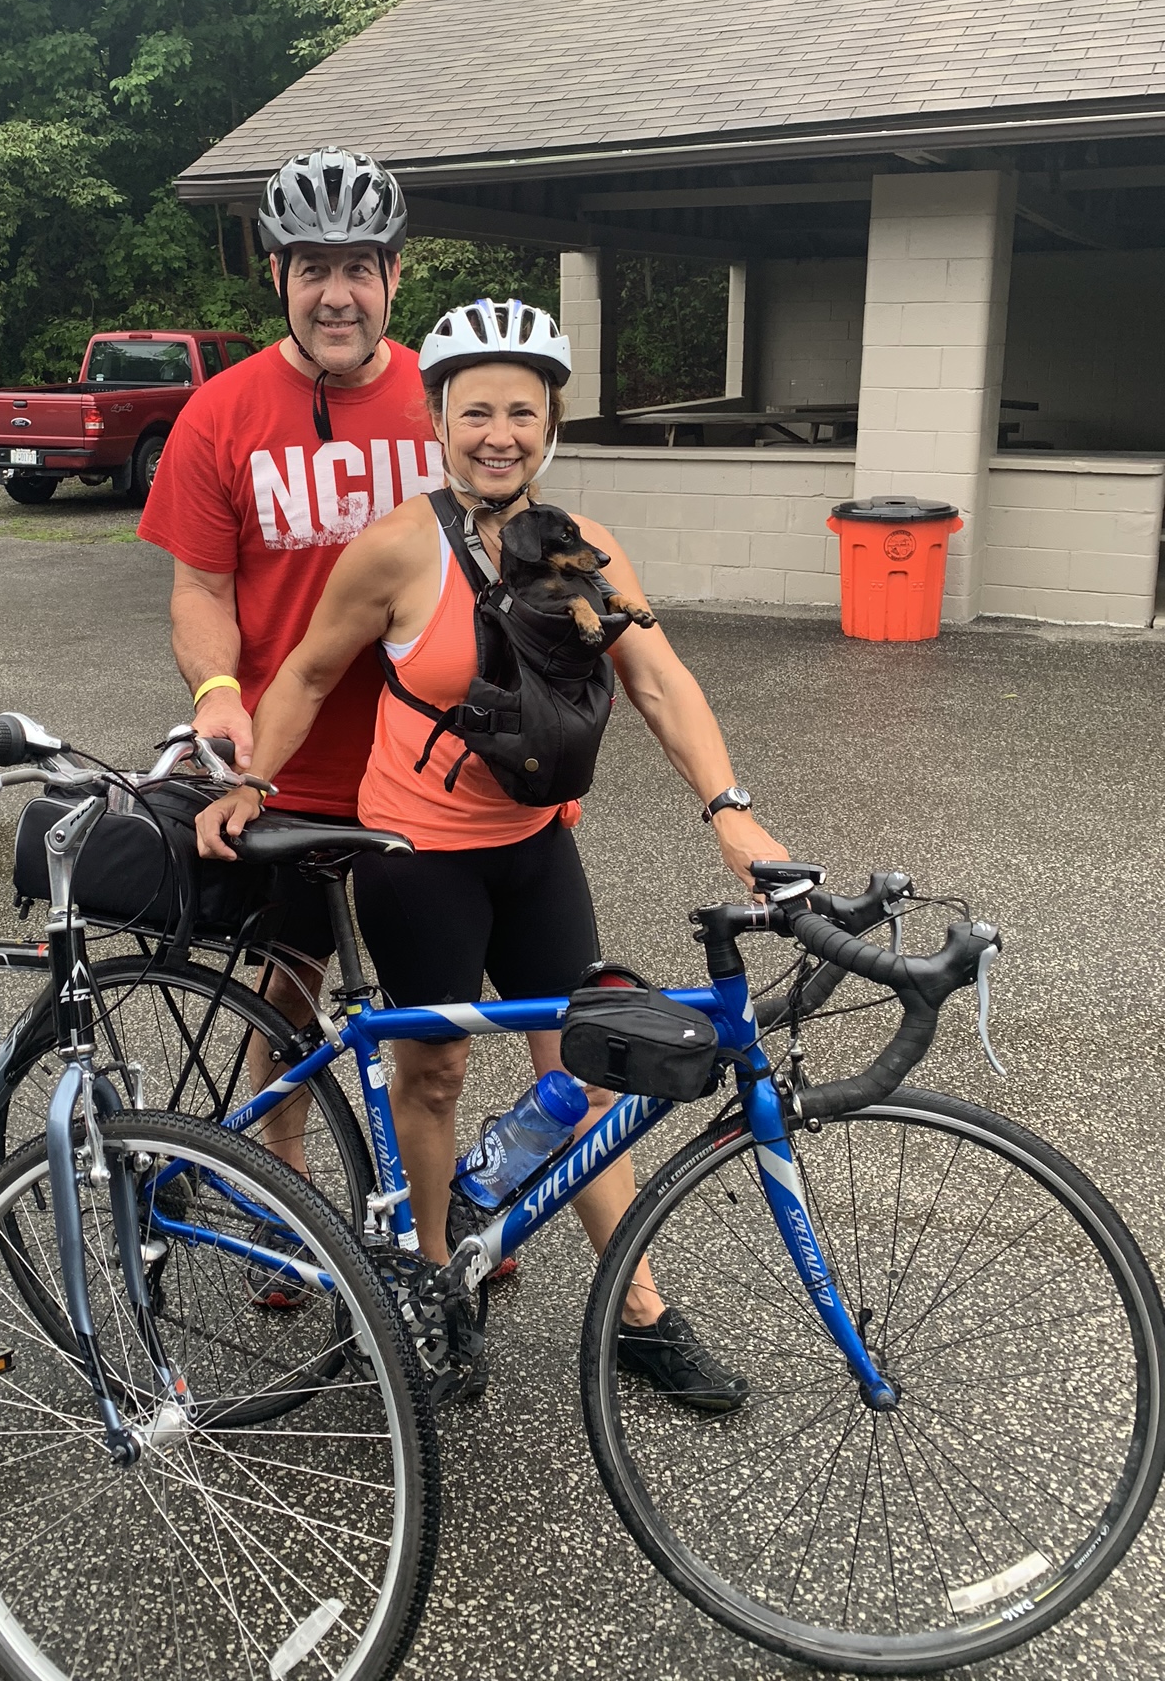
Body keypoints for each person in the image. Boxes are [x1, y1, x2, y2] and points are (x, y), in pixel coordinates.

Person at [195, 297, 789, 1407]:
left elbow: (660, 681)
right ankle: (435, 1283)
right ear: (438, 417)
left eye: (523, 410)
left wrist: (732, 810)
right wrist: (244, 783)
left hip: (534, 848)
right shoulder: (394, 547)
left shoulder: (585, 547)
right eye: (477, 410)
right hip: (417, 855)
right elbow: (313, 674)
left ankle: (639, 1309)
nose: (499, 431)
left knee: (580, 1076)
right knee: (435, 1073)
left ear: (551, 423)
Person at [138, 145, 438, 1102]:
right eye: (313, 267)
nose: (337, 294)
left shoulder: (448, 402)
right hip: (286, 767)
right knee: (294, 992)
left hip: (427, 768)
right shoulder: (220, 413)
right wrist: (218, 692)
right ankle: (289, 1183)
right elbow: (201, 589)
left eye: (359, 266)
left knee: (429, 1025)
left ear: (396, 273)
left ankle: (417, 1215)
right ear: (278, 275)